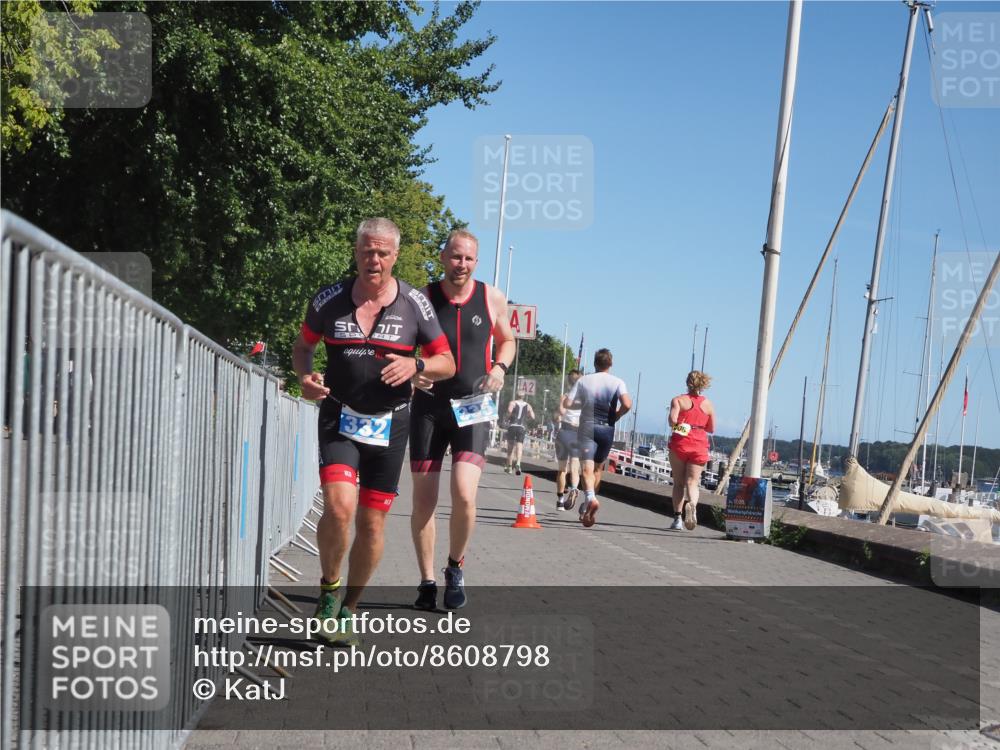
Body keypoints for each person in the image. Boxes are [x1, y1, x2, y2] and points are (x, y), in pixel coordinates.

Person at [293, 218, 456, 645]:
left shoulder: (415, 305)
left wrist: (417, 364)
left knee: (372, 526)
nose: (375, 260)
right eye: (367, 251)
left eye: (383, 253)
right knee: (340, 506)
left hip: (390, 423)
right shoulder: (329, 300)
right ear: (356, 252)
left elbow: (447, 363)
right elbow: (303, 347)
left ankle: (350, 606)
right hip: (338, 416)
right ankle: (329, 590)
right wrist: (305, 377)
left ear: (396, 256)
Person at [409, 230, 515, 610]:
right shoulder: (421, 299)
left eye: (469, 259)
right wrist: (413, 370)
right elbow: (404, 346)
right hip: (429, 406)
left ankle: (455, 566)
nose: (462, 264)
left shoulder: (491, 297)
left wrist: (500, 368)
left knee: (465, 494)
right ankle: (426, 581)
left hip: (474, 403)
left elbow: (507, 340)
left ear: (476, 261)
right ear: (443, 257)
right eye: (456, 257)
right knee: (424, 502)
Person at [568, 349, 631, 527]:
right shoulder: (618, 382)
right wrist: (617, 415)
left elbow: (568, 403)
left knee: (586, 470)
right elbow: (627, 404)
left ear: (595, 363)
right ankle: (588, 504)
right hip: (607, 430)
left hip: (587, 426)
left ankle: (590, 499)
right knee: (597, 470)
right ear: (610, 364)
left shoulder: (583, 380)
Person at [667, 371, 716, 531]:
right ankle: (692, 504)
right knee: (692, 483)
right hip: (699, 445)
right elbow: (711, 428)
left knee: (679, 483)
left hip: (681, 444)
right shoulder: (708, 404)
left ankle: (677, 519)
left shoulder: (678, 400)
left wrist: (683, 427)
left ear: (687, 382)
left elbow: (672, 422)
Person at [555, 369, 583, 511]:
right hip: (577, 433)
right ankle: (573, 488)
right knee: (575, 466)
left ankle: (560, 500)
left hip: (564, 431)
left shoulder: (564, 397)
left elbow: (561, 412)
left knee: (561, 469)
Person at [504, 396, 534, 474]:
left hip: (512, 426)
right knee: (519, 446)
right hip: (521, 427)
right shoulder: (528, 405)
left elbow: (509, 411)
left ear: (516, 396)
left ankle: (509, 467)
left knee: (510, 447)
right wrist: (527, 417)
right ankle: (518, 463)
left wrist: (507, 418)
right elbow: (533, 417)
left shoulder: (512, 403)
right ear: (523, 397)